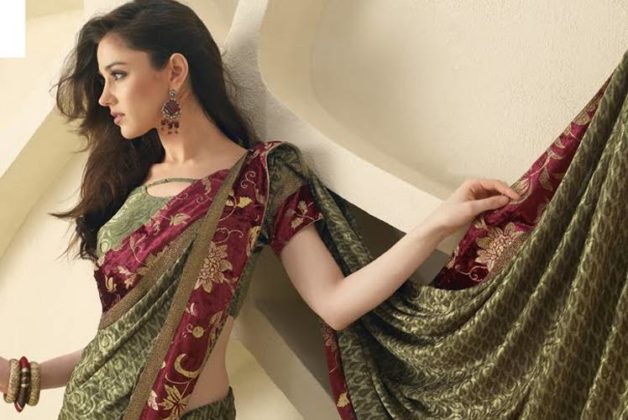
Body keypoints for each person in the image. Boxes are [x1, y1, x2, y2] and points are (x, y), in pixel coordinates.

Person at [13, 0, 625, 419]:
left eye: (117, 75)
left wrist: (439, 221)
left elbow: (334, 302)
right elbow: (118, 342)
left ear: (174, 71)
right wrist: (33, 375)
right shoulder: (129, 189)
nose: (105, 97)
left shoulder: (262, 177)